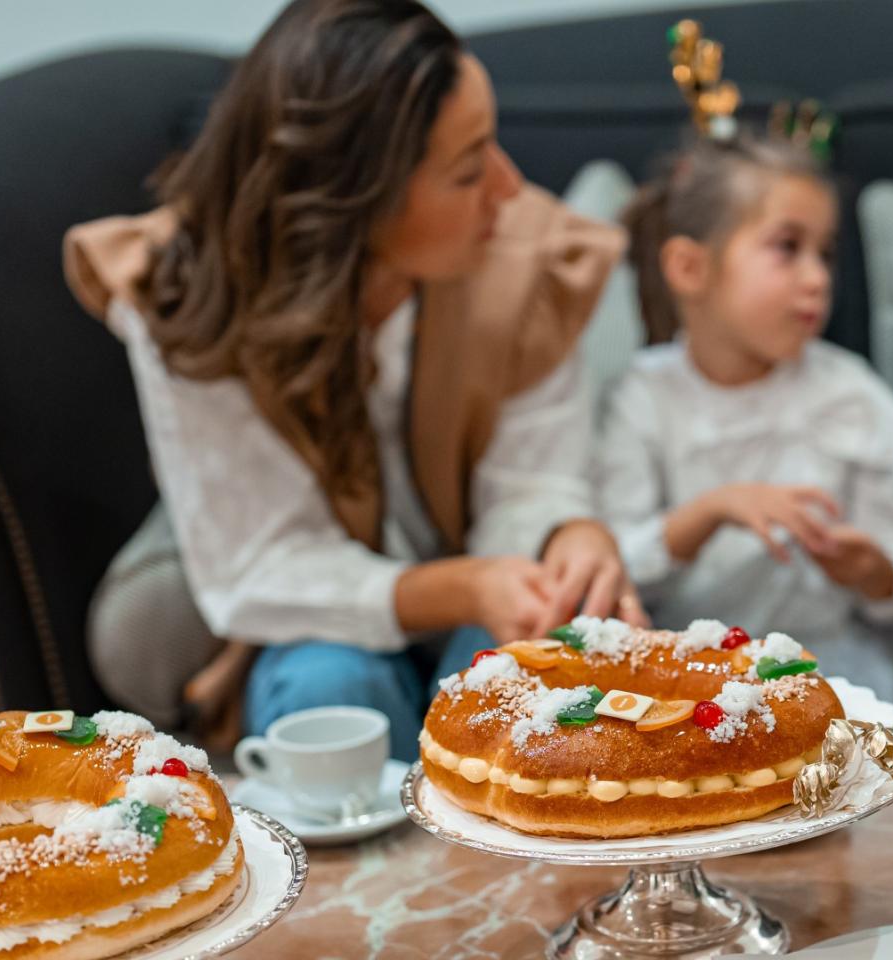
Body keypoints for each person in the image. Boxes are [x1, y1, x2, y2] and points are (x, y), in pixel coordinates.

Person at [63, 0, 644, 760]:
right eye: (469, 169)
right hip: (325, 617)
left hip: (490, 582)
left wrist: (568, 532)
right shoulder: (188, 295)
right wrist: (458, 587)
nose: (509, 189)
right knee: (326, 689)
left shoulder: (528, 260)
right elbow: (257, 568)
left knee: (529, 678)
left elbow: (532, 487)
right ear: (351, 199)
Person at [595, 135, 893, 728]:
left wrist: (871, 570)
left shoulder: (850, 398)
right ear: (689, 267)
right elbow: (614, 573)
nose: (817, 279)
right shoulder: (644, 398)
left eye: (825, 254)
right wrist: (710, 511)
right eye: (787, 248)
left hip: (832, 668)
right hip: (692, 681)